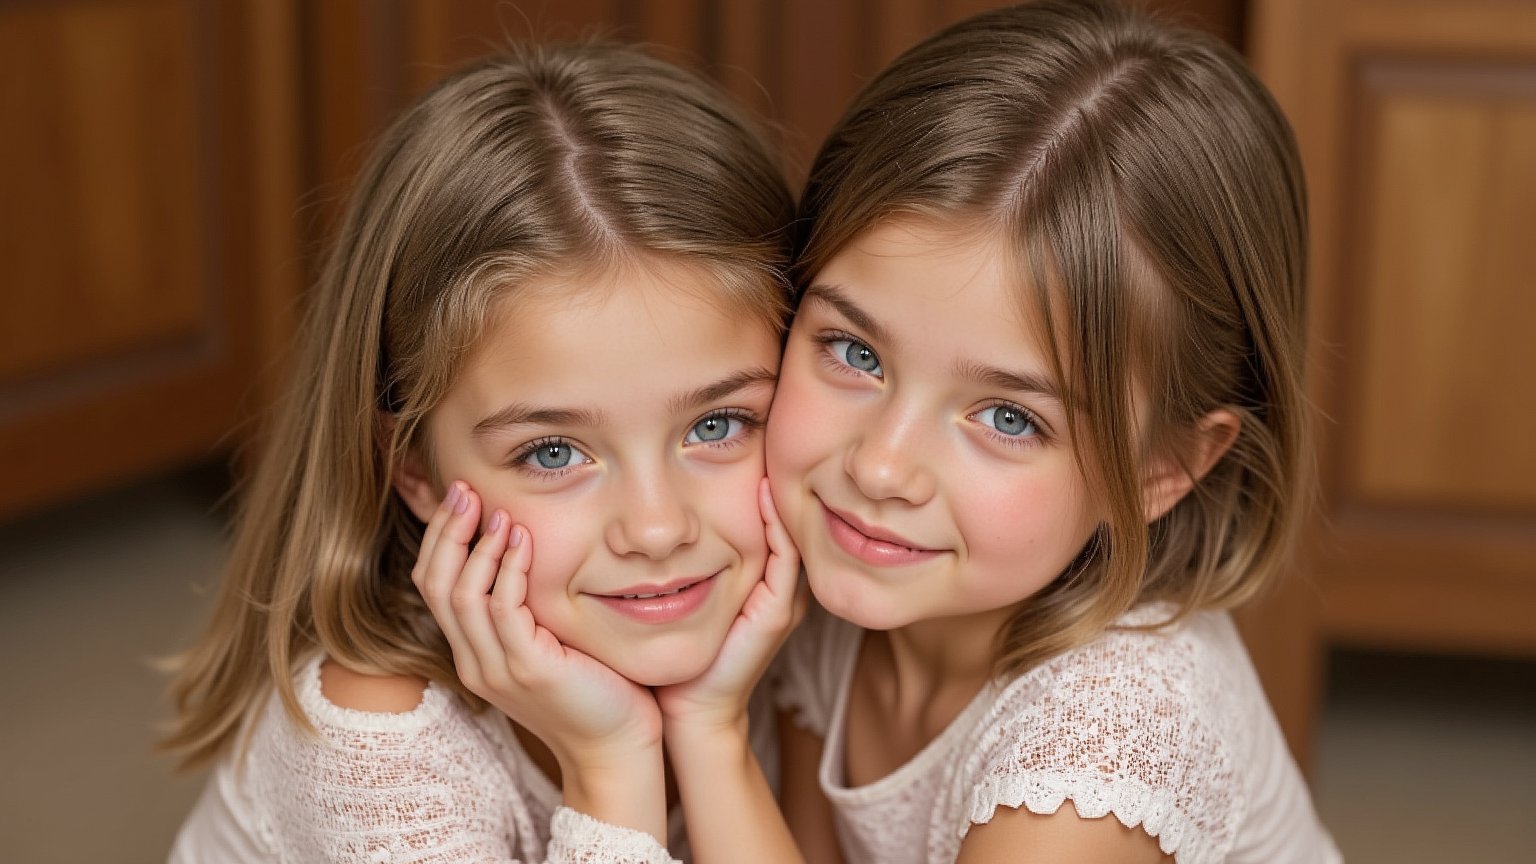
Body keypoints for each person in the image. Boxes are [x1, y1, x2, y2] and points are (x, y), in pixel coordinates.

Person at [659, 1, 1344, 861]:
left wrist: (711, 735)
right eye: (854, 352)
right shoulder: (849, 592)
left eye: (1010, 418)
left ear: (1163, 466)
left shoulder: (1091, 768)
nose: (881, 467)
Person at [160, 39, 797, 863]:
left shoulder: (772, 621)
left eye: (717, 426)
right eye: (553, 453)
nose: (657, 528)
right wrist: (610, 766)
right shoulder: (373, 739)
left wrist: (714, 734)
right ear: (415, 468)